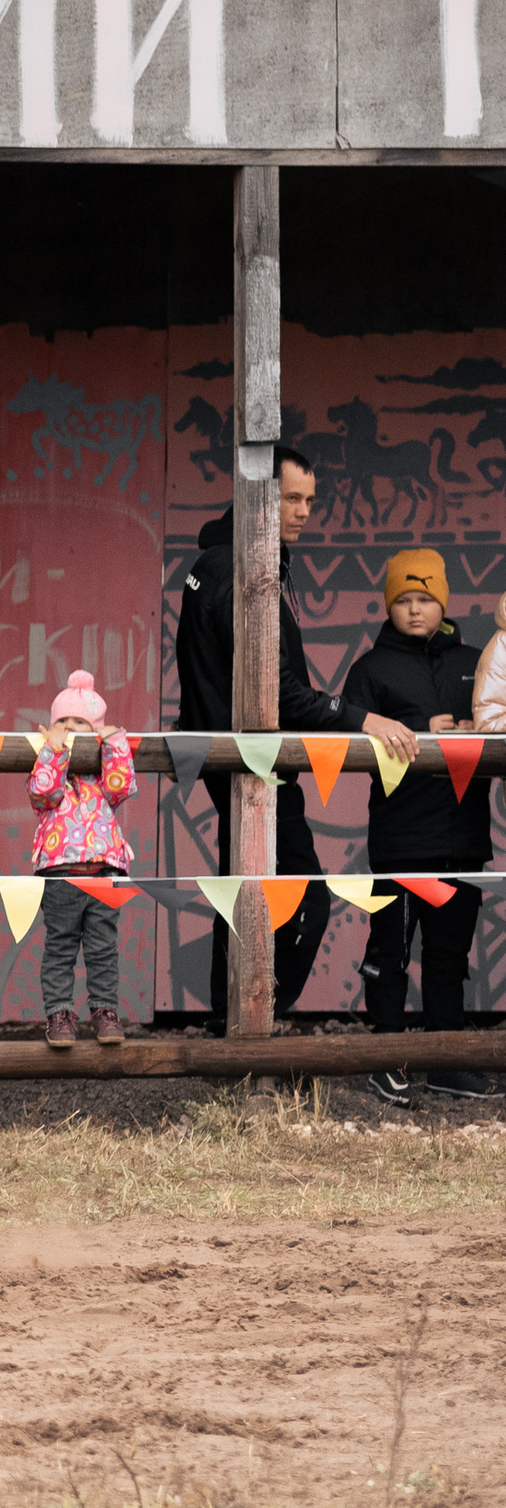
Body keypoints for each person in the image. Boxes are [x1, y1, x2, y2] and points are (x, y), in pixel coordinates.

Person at [176, 446, 417, 1029]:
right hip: (248, 762)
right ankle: (251, 1024)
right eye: (292, 498)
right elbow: (275, 692)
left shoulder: (235, 561)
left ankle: (227, 1024)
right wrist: (362, 718)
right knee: (303, 896)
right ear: (259, 496)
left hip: (235, 759)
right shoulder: (238, 571)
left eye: (310, 499)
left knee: (246, 892)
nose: (305, 511)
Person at [341, 552, 497, 1106]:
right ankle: (385, 1056)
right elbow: (347, 742)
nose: (414, 610)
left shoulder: (477, 663)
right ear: (388, 605)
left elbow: (496, 716)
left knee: (450, 953)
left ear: (443, 603)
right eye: (403, 600)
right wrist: (414, 732)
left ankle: (446, 1062)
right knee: (389, 949)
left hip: (463, 833)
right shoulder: (371, 669)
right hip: (401, 836)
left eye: (425, 600)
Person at [27, 673, 137, 1051]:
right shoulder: (51, 766)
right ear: (51, 728)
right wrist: (54, 751)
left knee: (103, 947)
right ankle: (59, 1014)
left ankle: (104, 1010)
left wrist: (115, 743)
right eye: (63, 722)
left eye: (81, 724)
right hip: (60, 874)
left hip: (104, 871)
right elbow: (43, 791)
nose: (70, 729)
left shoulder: (101, 779)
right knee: (60, 947)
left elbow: (122, 786)